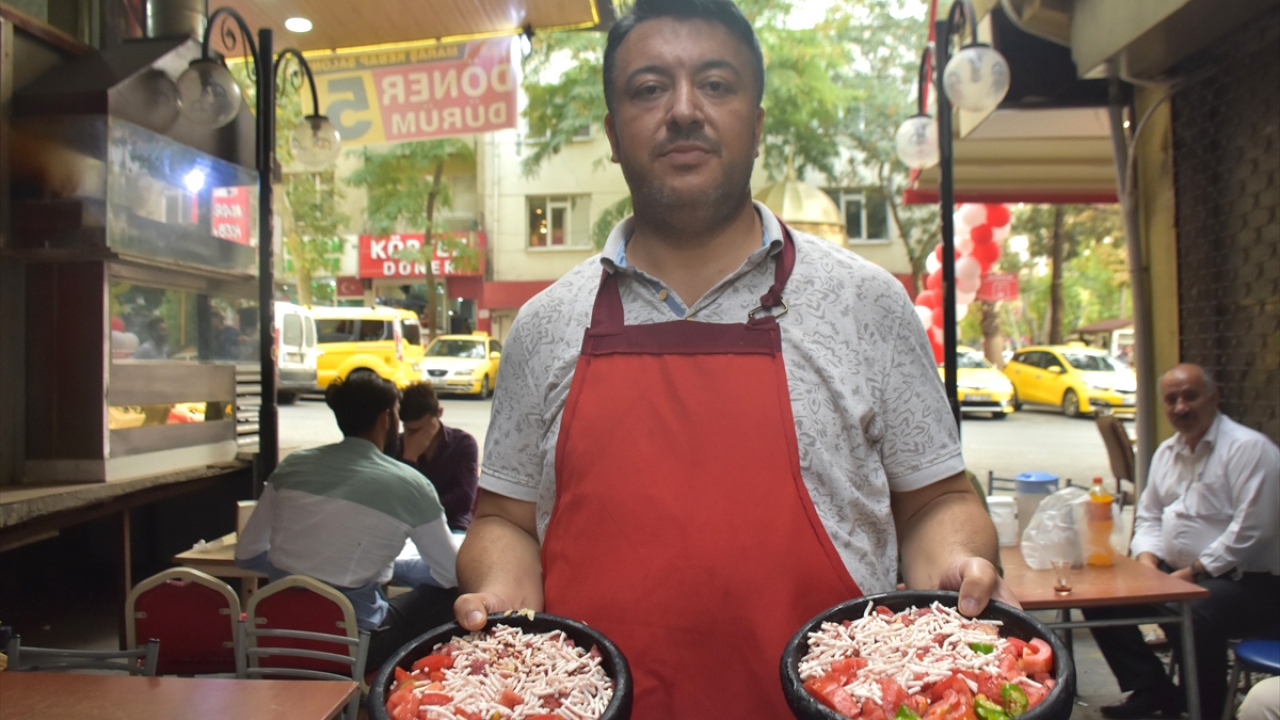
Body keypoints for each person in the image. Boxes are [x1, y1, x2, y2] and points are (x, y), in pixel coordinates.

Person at [452, 1, 1013, 716]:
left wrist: (959, 567)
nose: (683, 110)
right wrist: (500, 600)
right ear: (614, 134)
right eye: (649, 88)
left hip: (836, 702)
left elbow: (936, 501)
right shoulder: (543, 325)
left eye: (715, 84)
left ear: (757, 121)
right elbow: (503, 520)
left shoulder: (866, 302)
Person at [1084, 363, 1280, 720]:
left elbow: (1253, 529)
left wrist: (1192, 573)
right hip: (1177, 573)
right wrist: (1147, 564)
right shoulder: (1166, 452)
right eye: (1171, 400)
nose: (1180, 407)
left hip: (1251, 583)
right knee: (1100, 596)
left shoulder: (1248, 449)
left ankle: (1205, 708)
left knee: (1191, 610)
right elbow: (1149, 516)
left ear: (1213, 396)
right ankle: (1155, 690)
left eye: (1190, 396)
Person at [235, 373, 460, 669]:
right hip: (354, 647)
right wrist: (398, 569)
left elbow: (246, 555)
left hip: (276, 639)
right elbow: (451, 574)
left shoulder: (292, 467)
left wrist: (305, 575)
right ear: (386, 419)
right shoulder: (411, 486)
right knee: (450, 596)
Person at [397, 382, 480, 531]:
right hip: (408, 528)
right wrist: (409, 458)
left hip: (452, 525)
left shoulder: (463, 444)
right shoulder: (397, 445)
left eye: (421, 430)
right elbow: (399, 501)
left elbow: (464, 499)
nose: (415, 437)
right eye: (410, 431)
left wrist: (420, 509)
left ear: (439, 413)